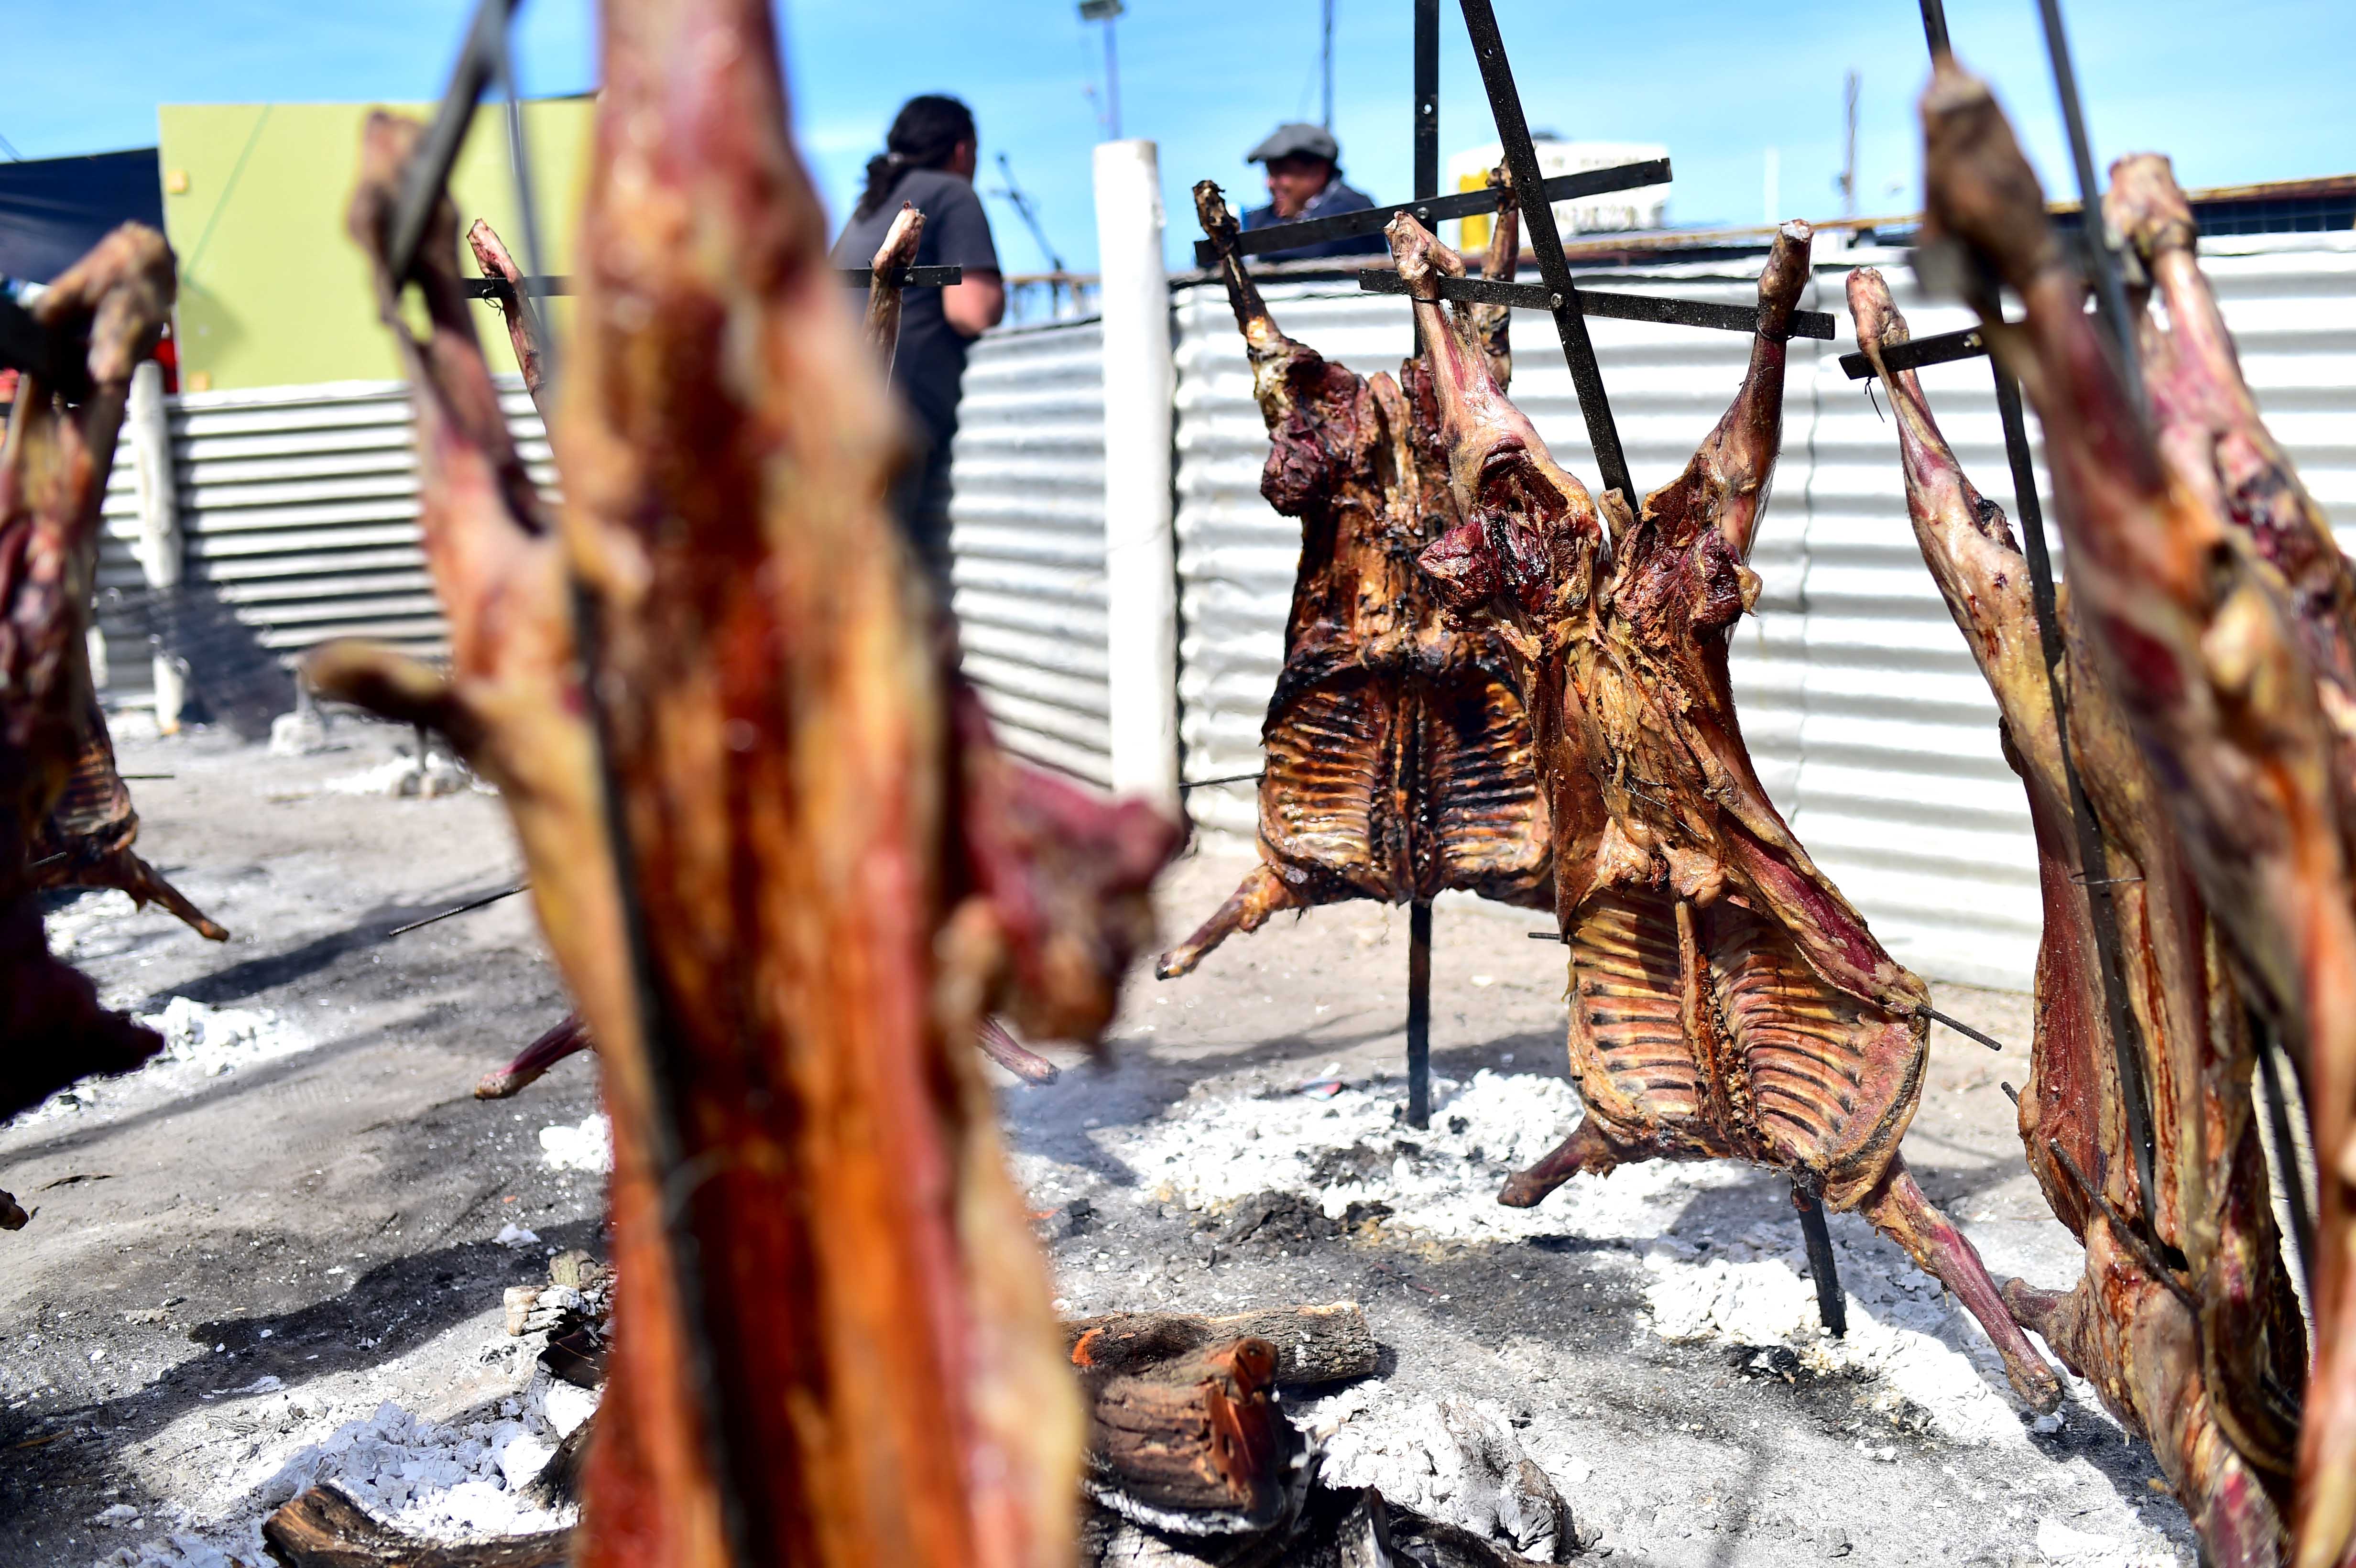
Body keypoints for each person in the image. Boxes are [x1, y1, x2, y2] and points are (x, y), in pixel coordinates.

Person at [830, 94, 1006, 588]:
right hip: (891, 417)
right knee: (873, 587)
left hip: (827, 411)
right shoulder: (952, 194)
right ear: (960, 150)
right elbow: (972, 309)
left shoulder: (867, 207)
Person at [1239, 123, 1385, 261]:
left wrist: (1245, 249)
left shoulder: (1352, 208)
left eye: (1280, 172)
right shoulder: (1268, 216)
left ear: (1317, 171)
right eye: (1269, 173)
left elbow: (1313, 248)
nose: (1269, 183)